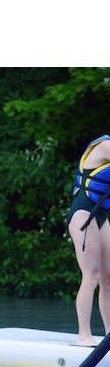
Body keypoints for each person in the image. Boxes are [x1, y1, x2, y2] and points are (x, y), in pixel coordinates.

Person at [67, 134, 110, 345]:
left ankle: (109, 334)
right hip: (84, 214)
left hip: (101, 216)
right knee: (91, 275)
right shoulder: (104, 146)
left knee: (108, 278)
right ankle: (83, 335)